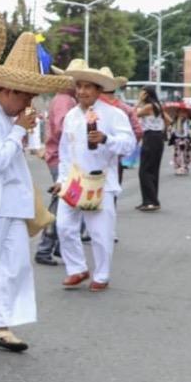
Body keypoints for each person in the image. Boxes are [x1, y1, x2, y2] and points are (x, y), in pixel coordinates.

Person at [0, 33, 64, 353]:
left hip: (9, 203)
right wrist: (18, 130)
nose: (28, 104)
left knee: (13, 266)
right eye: (26, 96)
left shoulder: (3, 115)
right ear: (8, 90)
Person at [53, 61, 136, 292]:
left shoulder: (114, 115)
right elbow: (65, 151)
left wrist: (106, 139)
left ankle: (102, 274)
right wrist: (61, 179)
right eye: (79, 86)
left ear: (99, 90)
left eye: (88, 87)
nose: (82, 91)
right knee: (64, 227)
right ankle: (77, 268)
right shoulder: (71, 116)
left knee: (100, 233)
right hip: (74, 180)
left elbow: (129, 145)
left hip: (101, 180)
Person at [34, 84, 76, 266]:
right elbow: (61, 129)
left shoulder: (65, 99)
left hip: (60, 156)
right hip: (60, 157)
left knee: (64, 201)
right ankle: (45, 247)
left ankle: (57, 244)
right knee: (61, 202)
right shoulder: (64, 100)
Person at [136, 86, 166, 211]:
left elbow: (133, 114)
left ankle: (151, 201)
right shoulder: (158, 105)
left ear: (147, 94)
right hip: (158, 137)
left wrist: (138, 102)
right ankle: (151, 200)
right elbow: (168, 120)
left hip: (150, 137)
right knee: (153, 170)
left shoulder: (148, 107)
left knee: (144, 171)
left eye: (142, 92)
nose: (140, 94)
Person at [169, 109, 191, 175]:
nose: (182, 114)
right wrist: (170, 129)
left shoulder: (190, 121)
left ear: (187, 114)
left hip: (187, 139)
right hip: (177, 138)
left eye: (184, 113)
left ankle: (185, 166)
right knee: (177, 153)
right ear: (177, 113)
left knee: (187, 154)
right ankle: (178, 167)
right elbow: (171, 129)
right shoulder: (174, 121)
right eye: (180, 113)